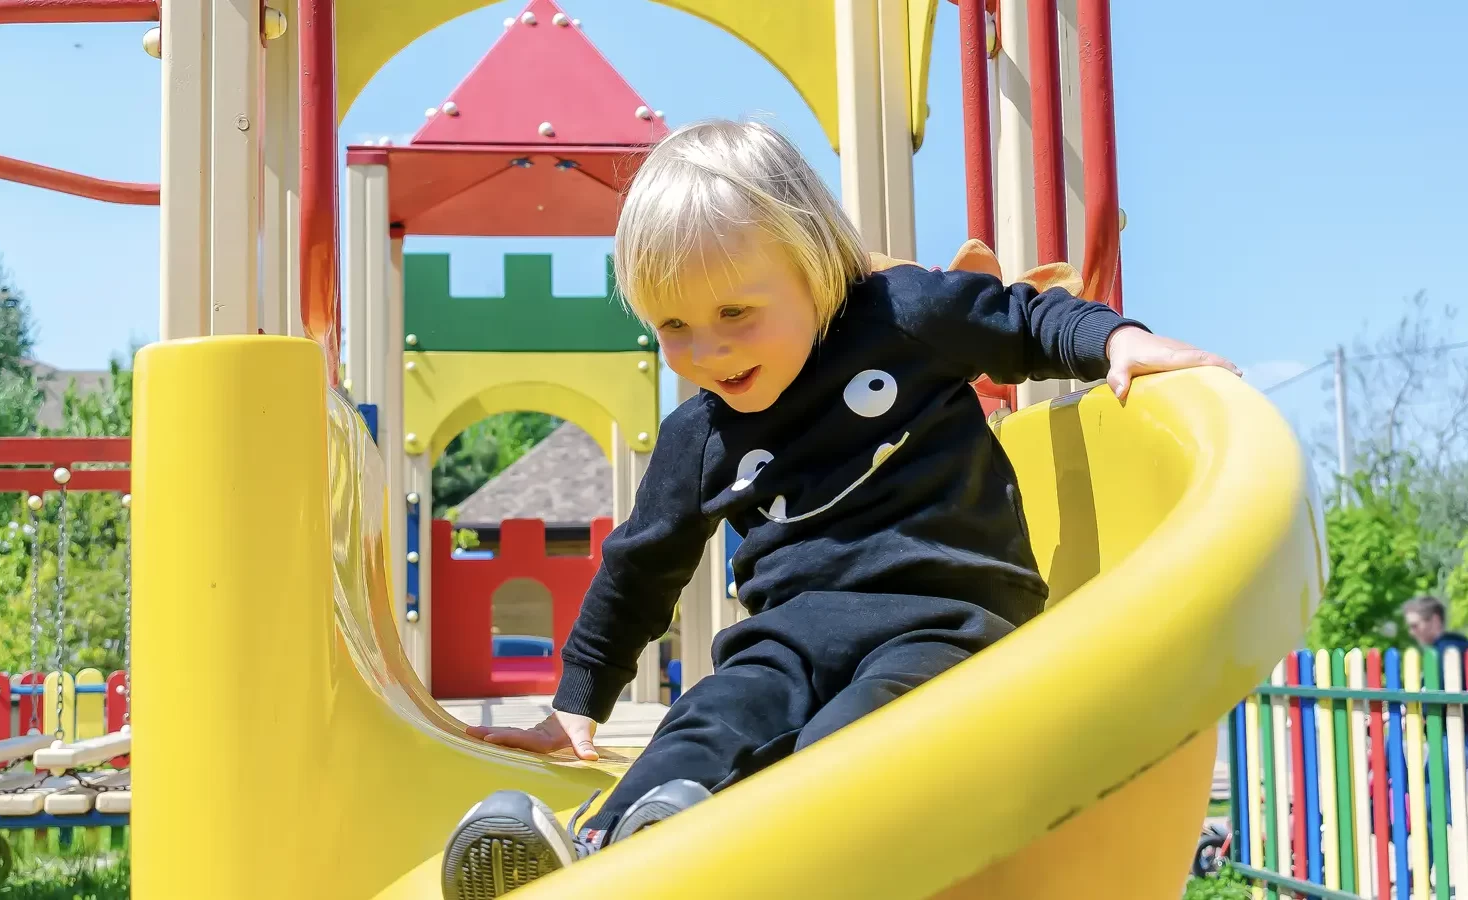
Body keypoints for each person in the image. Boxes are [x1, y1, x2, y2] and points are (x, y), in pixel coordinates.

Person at [443, 118, 1239, 896]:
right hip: (785, 641)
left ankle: (732, 857)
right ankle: (606, 850)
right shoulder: (701, 433)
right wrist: (576, 707)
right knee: (710, 714)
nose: (708, 352)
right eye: (674, 328)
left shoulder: (905, 318)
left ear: (814, 265)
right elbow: (641, 567)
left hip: (947, 624)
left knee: (848, 743)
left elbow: (1025, 319)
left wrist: (1116, 341)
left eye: (734, 315)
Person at [1402, 594, 1468, 659]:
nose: (1411, 633)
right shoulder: (1460, 644)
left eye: (1415, 626)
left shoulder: (1445, 653)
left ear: (1435, 620)